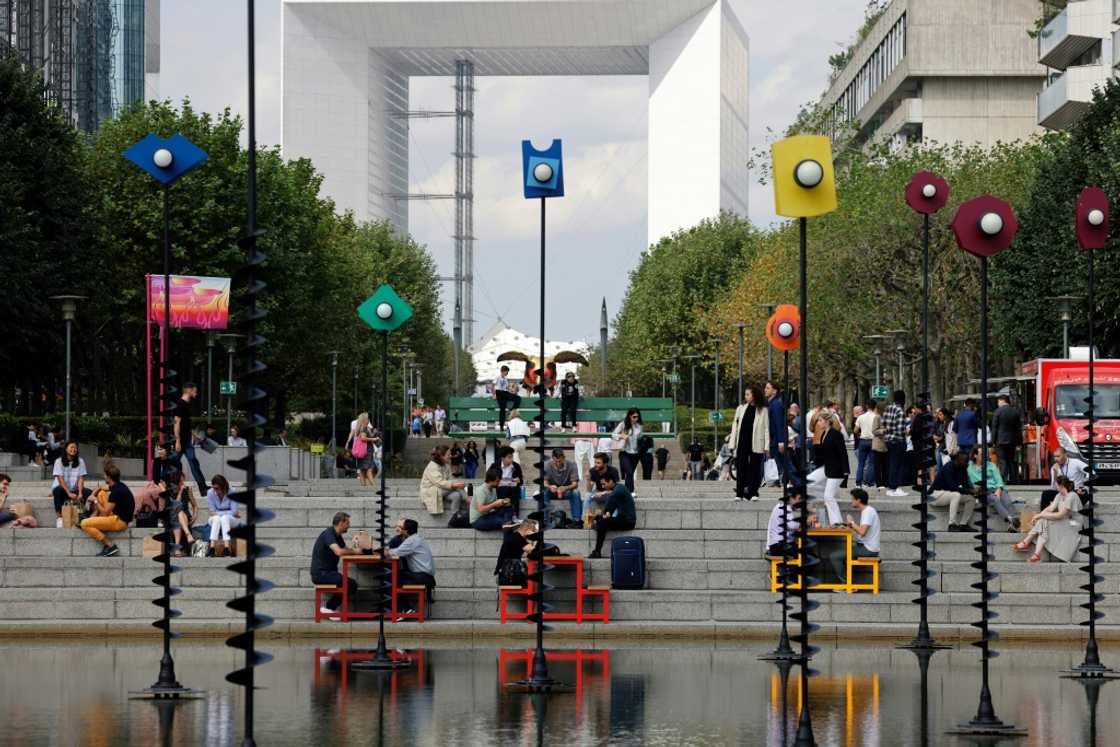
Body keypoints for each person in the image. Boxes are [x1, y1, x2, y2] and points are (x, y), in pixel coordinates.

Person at [1013, 476, 1085, 563]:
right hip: (1065, 521)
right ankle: (1035, 553)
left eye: (1056, 485)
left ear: (1061, 485)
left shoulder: (1072, 496)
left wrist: (1040, 516)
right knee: (1043, 521)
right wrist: (1039, 515)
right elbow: (1050, 508)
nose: (1055, 487)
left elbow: (1060, 515)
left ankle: (1026, 543)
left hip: (1074, 523)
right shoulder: (1059, 495)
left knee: (1044, 519)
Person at [311, 512, 363, 617]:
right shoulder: (329, 534)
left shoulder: (337, 536)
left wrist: (356, 549)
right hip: (321, 574)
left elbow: (346, 549)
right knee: (351, 584)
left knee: (351, 584)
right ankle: (329, 608)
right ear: (341, 523)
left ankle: (329, 607)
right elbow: (339, 551)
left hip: (328, 573)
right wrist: (355, 551)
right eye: (347, 523)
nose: (349, 525)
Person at [79, 463, 134, 557]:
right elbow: (102, 487)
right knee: (101, 493)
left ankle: (110, 545)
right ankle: (93, 518)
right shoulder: (119, 485)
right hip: (119, 516)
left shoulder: (116, 493)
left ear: (109, 477)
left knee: (84, 524)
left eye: (104, 475)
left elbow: (105, 513)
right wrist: (93, 495)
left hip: (119, 522)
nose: (103, 477)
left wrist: (95, 500)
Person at [829, 488, 880, 585]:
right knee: (841, 552)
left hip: (868, 549)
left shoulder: (868, 511)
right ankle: (848, 582)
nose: (851, 501)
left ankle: (846, 585)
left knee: (834, 556)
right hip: (865, 546)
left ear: (858, 500)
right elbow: (862, 531)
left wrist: (852, 522)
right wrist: (850, 525)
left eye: (852, 499)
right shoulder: (867, 511)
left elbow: (862, 531)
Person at [386, 518, 436, 608]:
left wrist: (376, 550)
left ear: (406, 530)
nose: (399, 529)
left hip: (422, 577)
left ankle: (403, 609)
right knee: (395, 575)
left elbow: (393, 552)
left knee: (390, 576)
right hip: (426, 576)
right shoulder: (417, 538)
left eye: (401, 527)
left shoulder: (411, 541)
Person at [730, 385, 768, 501]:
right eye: (745, 394)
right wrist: (732, 443)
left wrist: (766, 445)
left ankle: (753, 492)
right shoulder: (741, 408)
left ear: (754, 395)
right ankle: (739, 493)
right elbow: (735, 426)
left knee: (755, 468)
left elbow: (767, 428)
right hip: (742, 441)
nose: (745, 397)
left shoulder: (763, 410)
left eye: (748, 394)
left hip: (757, 442)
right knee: (741, 466)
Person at [588, 472, 636, 559]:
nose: (602, 486)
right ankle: (598, 527)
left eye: (604, 484)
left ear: (610, 481)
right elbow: (609, 509)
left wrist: (605, 493)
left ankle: (597, 551)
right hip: (621, 518)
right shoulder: (617, 490)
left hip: (628, 521)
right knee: (600, 520)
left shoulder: (618, 490)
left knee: (602, 522)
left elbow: (608, 506)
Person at [173, 382, 208, 496]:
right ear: (188, 390)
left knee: (193, 463)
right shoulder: (180, 404)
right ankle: (162, 484)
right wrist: (177, 441)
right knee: (172, 463)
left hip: (187, 441)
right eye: (194, 390)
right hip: (182, 442)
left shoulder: (186, 404)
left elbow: (185, 425)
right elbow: (176, 422)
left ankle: (203, 489)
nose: (196, 392)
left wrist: (193, 436)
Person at [930, 451, 977, 532]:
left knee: (971, 498)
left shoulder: (963, 468)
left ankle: (963, 524)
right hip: (935, 495)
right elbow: (952, 487)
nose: (967, 463)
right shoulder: (948, 467)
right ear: (957, 460)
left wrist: (975, 492)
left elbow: (966, 486)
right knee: (956, 495)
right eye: (964, 461)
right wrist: (971, 491)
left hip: (947, 494)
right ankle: (952, 524)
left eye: (967, 461)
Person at [816, 414, 848, 526]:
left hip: (837, 470)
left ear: (827, 422)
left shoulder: (836, 434)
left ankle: (837, 522)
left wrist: (846, 470)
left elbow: (843, 453)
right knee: (826, 495)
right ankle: (836, 522)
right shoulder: (824, 434)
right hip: (828, 469)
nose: (818, 423)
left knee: (828, 496)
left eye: (820, 420)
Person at [51, 440, 91, 527]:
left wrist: (80, 493)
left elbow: (81, 478)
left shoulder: (80, 461)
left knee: (88, 492)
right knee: (57, 490)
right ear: (66, 449)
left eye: (75, 448)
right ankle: (59, 517)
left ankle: (85, 516)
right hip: (63, 489)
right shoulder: (58, 461)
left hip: (74, 489)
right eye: (71, 447)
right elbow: (60, 479)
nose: (74, 449)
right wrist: (69, 493)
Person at [765, 381, 797, 488]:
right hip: (774, 439)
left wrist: (781, 441)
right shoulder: (771, 403)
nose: (765, 390)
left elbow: (779, 424)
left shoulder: (776, 404)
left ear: (774, 391)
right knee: (783, 463)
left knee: (786, 463)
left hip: (777, 440)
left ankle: (798, 483)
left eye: (768, 388)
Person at [419, 445, 466, 516]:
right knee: (459, 488)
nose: (450, 456)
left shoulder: (446, 465)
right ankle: (470, 501)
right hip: (431, 491)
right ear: (441, 456)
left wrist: (456, 483)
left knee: (457, 495)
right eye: (448, 454)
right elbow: (439, 482)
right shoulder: (432, 466)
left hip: (442, 490)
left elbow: (451, 479)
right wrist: (455, 485)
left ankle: (455, 515)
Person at [882, 390, 909, 497]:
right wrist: (906, 432)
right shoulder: (900, 411)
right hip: (898, 441)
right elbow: (900, 431)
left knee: (891, 464)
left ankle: (890, 487)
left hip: (888, 440)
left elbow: (883, 425)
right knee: (898, 465)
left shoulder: (888, 409)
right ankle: (895, 487)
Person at [543, 448, 581, 521]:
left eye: (560, 461)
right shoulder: (546, 464)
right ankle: (545, 519)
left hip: (566, 491)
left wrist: (565, 488)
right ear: (552, 458)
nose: (558, 463)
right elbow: (545, 483)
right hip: (552, 491)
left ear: (564, 458)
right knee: (543, 492)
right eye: (555, 461)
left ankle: (576, 520)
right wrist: (550, 486)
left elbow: (575, 484)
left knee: (576, 493)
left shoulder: (572, 464)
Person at [494, 518, 538, 583]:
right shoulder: (517, 538)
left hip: (508, 572)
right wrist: (536, 538)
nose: (534, 532)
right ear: (527, 530)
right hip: (508, 575)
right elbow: (535, 551)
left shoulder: (516, 536)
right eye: (534, 530)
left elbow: (528, 554)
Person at [166, 469, 198, 556]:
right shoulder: (171, 491)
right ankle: (188, 535)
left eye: (183, 480)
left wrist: (194, 516)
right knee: (178, 512)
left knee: (180, 514)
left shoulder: (188, 490)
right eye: (181, 480)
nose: (183, 482)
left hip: (185, 516)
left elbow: (194, 505)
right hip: (173, 516)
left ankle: (177, 549)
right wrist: (180, 491)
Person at [991, 395, 1022, 483]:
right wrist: (1019, 442)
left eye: (998, 402)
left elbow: (994, 427)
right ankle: (1013, 479)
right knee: (1011, 460)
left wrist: (993, 441)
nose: (998, 404)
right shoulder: (1015, 412)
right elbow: (1018, 428)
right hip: (1012, 440)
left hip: (1000, 440)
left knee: (1002, 460)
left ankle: (1003, 479)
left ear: (1002, 401)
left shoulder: (997, 412)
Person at [206, 474, 240, 557]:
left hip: (232, 519)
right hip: (215, 519)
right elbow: (212, 511)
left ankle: (227, 548)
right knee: (217, 518)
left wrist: (218, 513)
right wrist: (226, 512)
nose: (215, 490)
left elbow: (234, 511)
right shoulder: (210, 492)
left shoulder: (232, 491)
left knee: (224, 518)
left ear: (223, 486)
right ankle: (212, 548)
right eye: (213, 488)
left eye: (217, 488)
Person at [612, 408, 643, 493]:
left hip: (636, 454)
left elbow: (640, 438)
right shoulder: (623, 424)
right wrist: (621, 436)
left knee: (630, 474)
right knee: (629, 472)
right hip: (624, 452)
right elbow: (613, 434)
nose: (636, 418)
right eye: (634, 416)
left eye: (637, 417)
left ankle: (626, 492)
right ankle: (631, 491)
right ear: (629, 416)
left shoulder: (639, 426)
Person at [765, 489, 803, 558]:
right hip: (778, 546)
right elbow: (792, 525)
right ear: (791, 498)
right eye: (799, 499)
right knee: (805, 553)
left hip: (775, 545)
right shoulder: (785, 508)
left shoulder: (780, 506)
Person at [490, 445, 524, 518]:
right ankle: (503, 514)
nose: (511, 459)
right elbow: (489, 480)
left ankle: (515, 515)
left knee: (514, 489)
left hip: (513, 489)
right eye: (509, 457)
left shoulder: (516, 466)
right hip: (499, 489)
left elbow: (521, 482)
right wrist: (500, 483)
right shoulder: (495, 465)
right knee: (505, 489)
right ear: (502, 458)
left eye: (512, 457)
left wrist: (517, 481)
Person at [585, 452, 621, 517]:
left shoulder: (613, 471)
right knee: (587, 495)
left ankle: (613, 520)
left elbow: (617, 490)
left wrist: (603, 493)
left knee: (615, 498)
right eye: (595, 462)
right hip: (598, 492)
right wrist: (588, 480)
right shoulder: (593, 471)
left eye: (598, 463)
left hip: (610, 493)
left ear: (605, 464)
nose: (595, 465)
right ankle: (585, 520)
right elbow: (589, 490)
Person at [854, 402, 879, 488]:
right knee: (872, 463)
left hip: (863, 441)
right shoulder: (876, 417)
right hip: (873, 441)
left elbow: (855, 430)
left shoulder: (860, 417)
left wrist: (860, 434)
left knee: (861, 463)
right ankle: (870, 482)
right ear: (875, 407)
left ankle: (858, 482)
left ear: (867, 406)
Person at [494, 365, 522, 430]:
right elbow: (493, 385)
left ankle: (512, 409)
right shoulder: (498, 377)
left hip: (505, 393)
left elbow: (506, 388)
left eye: (507, 372)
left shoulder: (505, 379)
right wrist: (494, 394)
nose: (507, 373)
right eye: (507, 372)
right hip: (499, 393)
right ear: (503, 371)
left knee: (518, 398)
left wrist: (511, 393)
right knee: (502, 410)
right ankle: (501, 426)